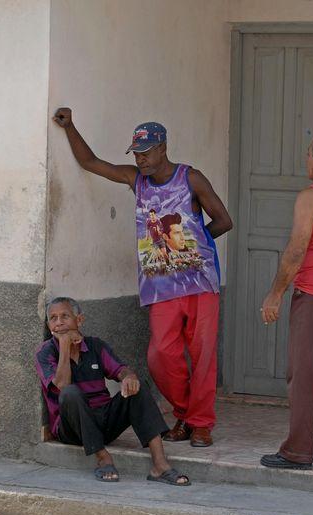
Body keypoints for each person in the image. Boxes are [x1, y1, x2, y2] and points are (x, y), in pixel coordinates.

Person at [53, 109, 232, 448]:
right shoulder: (137, 180)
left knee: (203, 353)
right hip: (160, 286)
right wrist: (70, 126)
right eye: (136, 153)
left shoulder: (190, 178)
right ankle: (184, 412)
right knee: (161, 356)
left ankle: (200, 423)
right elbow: (91, 162)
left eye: (146, 152)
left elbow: (224, 220)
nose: (141, 159)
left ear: (163, 148)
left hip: (200, 283)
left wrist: (192, 246)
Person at [259, 134, 313, 470]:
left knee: (303, 374)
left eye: (308, 153)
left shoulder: (311, 197)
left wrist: (275, 293)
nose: (306, 158)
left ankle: (297, 450)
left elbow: (297, 249)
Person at [36, 297, 189, 486]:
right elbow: (62, 385)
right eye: (53, 318)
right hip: (73, 428)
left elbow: (120, 370)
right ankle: (103, 458)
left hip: (104, 421)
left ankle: (160, 465)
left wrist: (129, 377)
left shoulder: (95, 346)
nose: (59, 322)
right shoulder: (45, 352)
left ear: (80, 320)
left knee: (138, 387)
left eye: (65, 316)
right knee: (70, 393)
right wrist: (65, 346)